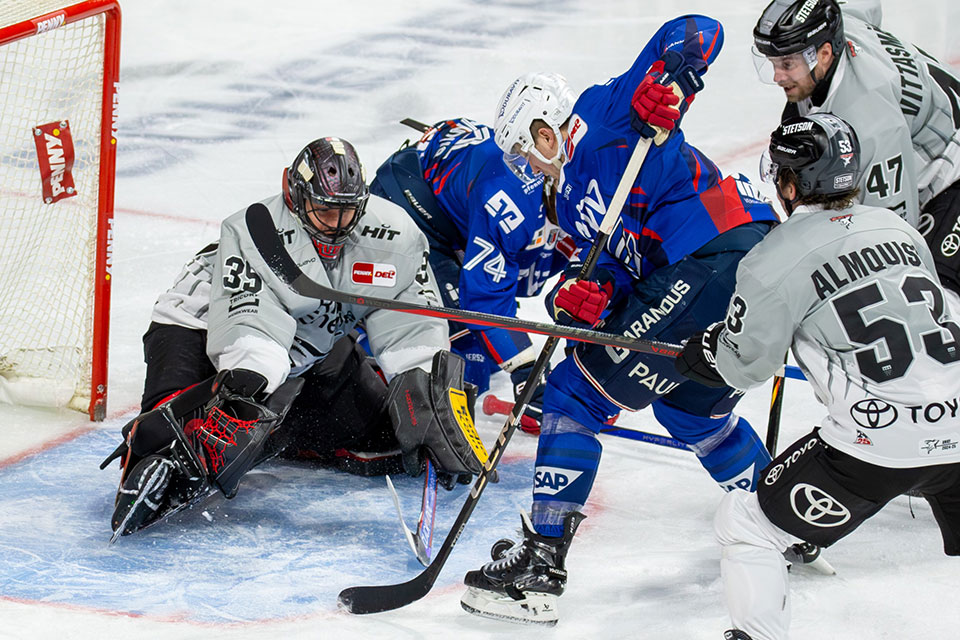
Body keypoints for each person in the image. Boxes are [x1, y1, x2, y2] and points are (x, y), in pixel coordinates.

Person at [460, 16, 782, 625]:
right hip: (738, 270)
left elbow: (695, 28)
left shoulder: (602, 114)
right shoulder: (579, 211)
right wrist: (587, 297)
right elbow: (616, 274)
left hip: (715, 251)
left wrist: (675, 77)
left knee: (573, 395)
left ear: (545, 127)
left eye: (525, 148)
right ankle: (783, 517)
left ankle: (539, 567)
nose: (525, 165)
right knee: (689, 410)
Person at [101, 137, 484, 538]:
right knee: (213, 422)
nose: (336, 224)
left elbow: (410, 318)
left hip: (311, 347)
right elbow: (250, 322)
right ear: (295, 197)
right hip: (203, 328)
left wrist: (426, 382)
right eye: (324, 210)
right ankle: (169, 459)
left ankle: (287, 433)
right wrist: (249, 377)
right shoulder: (256, 230)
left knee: (388, 434)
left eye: (347, 211)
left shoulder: (395, 237)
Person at [675, 113, 960, 640]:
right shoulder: (898, 227)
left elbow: (748, 366)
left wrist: (710, 351)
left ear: (790, 183)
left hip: (877, 443)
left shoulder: (771, 260)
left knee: (745, 523)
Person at [370, 117, 579, 425]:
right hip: (410, 207)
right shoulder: (510, 195)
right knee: (466, 364)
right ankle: (367, 351)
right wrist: (528, 375)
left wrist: (586, 386)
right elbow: (485, 299)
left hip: (456, 217)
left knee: (485, 352)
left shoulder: (575, 189)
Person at [752, 0, 960, 297]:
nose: (777, 77)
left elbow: (893, 236)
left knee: (932, 293)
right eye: (773, 63)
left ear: (824, 54)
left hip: (951, 172)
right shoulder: (839, 21)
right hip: (925, 132)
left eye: (787, 64)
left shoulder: (869, 120)